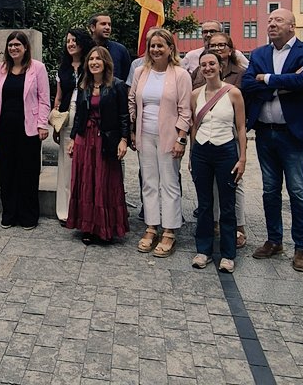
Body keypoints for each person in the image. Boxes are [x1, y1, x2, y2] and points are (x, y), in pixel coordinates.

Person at [242, 8, 303, 272]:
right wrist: (284, 85)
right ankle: (274, 240)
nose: (272, 24)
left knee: (298, 191)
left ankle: (301, 247)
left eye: (278, 20)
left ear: (292, 25)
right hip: (264, 132)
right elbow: (247, 83)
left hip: (292, 133)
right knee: (270, 190)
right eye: (269, 20)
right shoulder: (259, 54)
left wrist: (266, 79)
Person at [128, 28, 192, 257]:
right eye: (152, 46)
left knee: (169, 183)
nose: (155, 49)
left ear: (170, 48)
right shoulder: (140, 72)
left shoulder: (180, 74)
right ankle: (151, 226)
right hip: (144, 135)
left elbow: (185, 110)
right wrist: (133, 130)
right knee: (149, 182)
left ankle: (169, 230)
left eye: (160, 46)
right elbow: (132, 101)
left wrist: (181, 138)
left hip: (169, 137)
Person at [190, 51, 248, 273]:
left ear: (220, 66)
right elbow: (194, 126)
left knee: (227, 204)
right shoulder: (195, 94)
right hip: (202, 151)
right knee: (204, 204)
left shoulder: (233, 93)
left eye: (212, 63)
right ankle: (203, 250)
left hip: (226, 150)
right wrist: (192, 154)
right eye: (203, 65)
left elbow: (241, 128)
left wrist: (242, 158)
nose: (208, 68)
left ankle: (228, 253)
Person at [66, 46, 130, 244]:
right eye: (91, 59)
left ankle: (105, 227)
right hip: (85, 138)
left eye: (98, 59)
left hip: (106, 139)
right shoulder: (84, 84)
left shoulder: (117, 85)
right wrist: (72, 138)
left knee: (104, 181)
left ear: (106, 62)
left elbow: (124, 115)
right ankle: (87, 227)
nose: (94, 62)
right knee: (86, 181)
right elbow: (79, 115)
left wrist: (124, 139)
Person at [0, 31, 50, 229]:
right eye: (10, 45)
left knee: (28, 172)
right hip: (6, 127)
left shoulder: (37, 68)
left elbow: (44, 99)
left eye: (17, 45)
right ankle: (9, 214)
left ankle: (28, 216)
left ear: (25, 47)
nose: (13, 48)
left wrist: (42, 124)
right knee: (8, 172)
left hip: (29, 129)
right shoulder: (1, 68)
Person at [52, 29, 95, 224]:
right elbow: (59, 97)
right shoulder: (63, 68)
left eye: (74, 40)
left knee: (86, 163)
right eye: (68, 41)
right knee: (67, 164)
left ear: (82, 42)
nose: (70, 44)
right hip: (67, 117)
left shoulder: (91, 64)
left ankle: (84, 209)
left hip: (88, 116)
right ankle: (66, 211)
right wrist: (56, 124)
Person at [180, 20, 249, 77]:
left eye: (212, 31)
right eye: (205, 32)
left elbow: (249, 71)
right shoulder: (191, 55)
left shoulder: (236, 54)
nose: (208, 35)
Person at [89, 13, 131, 84]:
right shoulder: (84, 49)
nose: (107, 27)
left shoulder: (120, 50)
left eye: (109, 24)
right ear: (93, 27)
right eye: (103, 24)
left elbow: (127, 78)